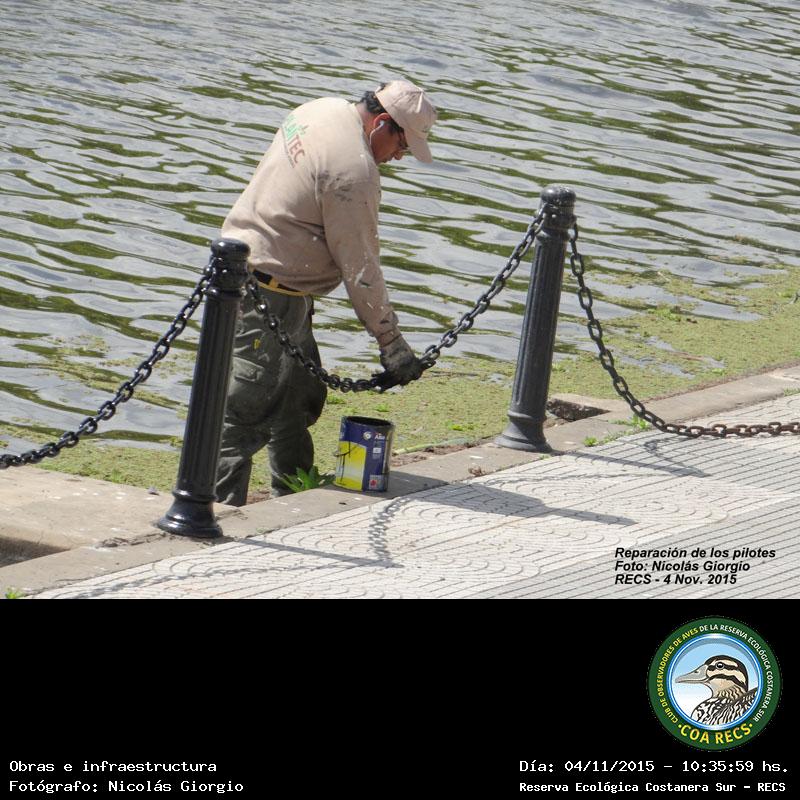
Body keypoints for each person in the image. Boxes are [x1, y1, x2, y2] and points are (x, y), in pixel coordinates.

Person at [215, 79, 438, 506]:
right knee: (246, 410)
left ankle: (294, 495)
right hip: (269, 291)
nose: (398, 156)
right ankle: (215, 513)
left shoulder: (320, 109)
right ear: (382, 124)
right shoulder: (353, 172)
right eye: (402, 145)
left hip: (260, 274)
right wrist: (391, 343)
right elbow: (361, 267)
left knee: (297, 399)